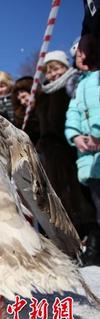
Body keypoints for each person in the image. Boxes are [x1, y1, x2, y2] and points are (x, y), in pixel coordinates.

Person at [36, 50, 98, 250]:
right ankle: (72, 240)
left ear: (65, 67)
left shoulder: (72, 87)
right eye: (49, 71)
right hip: (50, 155)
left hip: (69, 149)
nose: (53, 74)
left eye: (57, 68)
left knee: (80, 194)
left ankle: (91, 235)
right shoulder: (42, 97)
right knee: (60, 198)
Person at [65, 34, 100, 265]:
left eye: (82, 51)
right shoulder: (79, 85)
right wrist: (75, 136)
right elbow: (74, 113)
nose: (78, 57)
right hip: (88, 153)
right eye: (75, 54)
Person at [11, 76, 41, 144]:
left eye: (24, 97)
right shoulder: (19, 119)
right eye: (19, 100)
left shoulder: (47, 109)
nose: (22, 102)